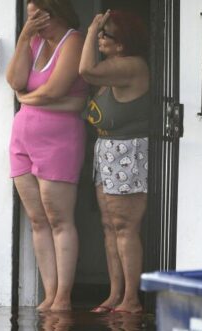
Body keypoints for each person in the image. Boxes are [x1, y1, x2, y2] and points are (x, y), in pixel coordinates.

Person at [5, 0, 88, 311]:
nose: (34, 21)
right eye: (29, 17)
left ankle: (64, 296)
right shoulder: (35, 41)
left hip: (59, 141)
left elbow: (55, 89)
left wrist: (26, 98)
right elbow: (14, 80)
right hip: (22, 139)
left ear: (54, 11)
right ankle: (49, 293)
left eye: (37, 15)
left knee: (59, 218)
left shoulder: (74, 40)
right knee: (37, 220)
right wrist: (24, 37)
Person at [79, 10, 150, 314]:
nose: (99, 38)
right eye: (100, 32)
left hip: (127, 152)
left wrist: (90, 27)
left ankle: (131, 299)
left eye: (105, 34)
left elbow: (85, 71)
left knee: (125, 226)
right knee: (109, 227)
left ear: (121, 44)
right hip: (106, 151)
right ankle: (115, 294)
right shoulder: (111, 69)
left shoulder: (131, 66)